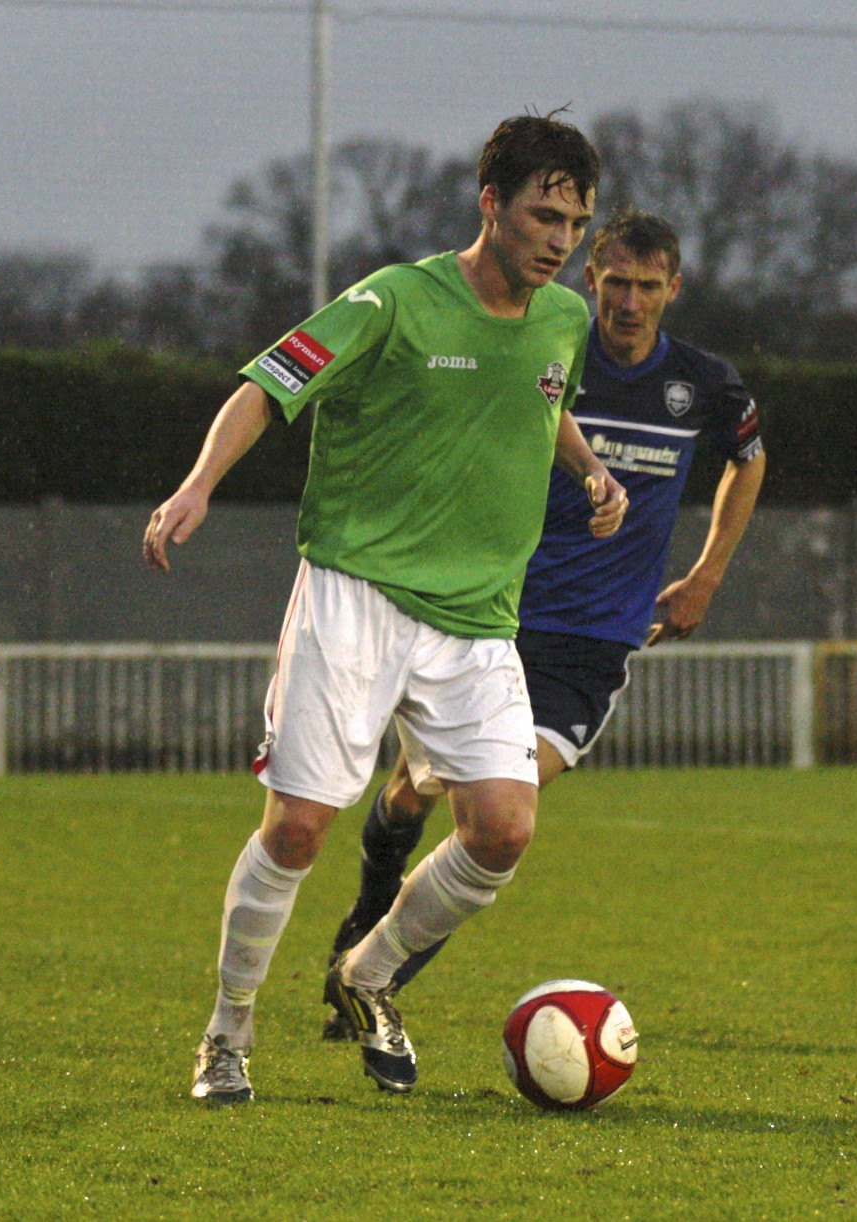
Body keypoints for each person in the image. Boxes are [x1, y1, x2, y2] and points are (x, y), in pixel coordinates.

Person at [145, 113, 629, 1105]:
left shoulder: (563, 321)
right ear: (490, 203)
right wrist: (198, 486)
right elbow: (267, 383)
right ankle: (227, 1031)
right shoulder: (395, 301)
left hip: (479, 616)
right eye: (542, 214)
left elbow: (538, 402)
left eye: (574, 224)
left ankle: (367, 971)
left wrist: (588, 469)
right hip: (355, 595)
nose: (558, 239)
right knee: (298, 831)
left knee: (503, 827)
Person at [320, 207, 767, 1038]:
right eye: (616, 284)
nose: (629, 303)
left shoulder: (704, 384)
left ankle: (368, 984)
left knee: (501, 815)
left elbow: (749, 457)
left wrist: (706, 573)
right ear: (589, 280)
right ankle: (376, 884)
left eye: (647, 286)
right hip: (489, 618)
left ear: (674, 289)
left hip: (592, 644)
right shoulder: (544, 347)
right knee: (424, 791)